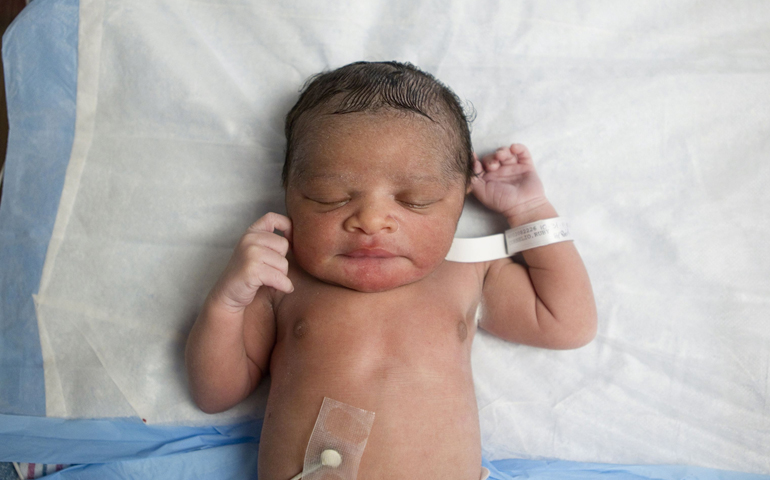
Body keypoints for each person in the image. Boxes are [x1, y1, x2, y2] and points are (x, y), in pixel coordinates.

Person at [185, 61, 597, 480]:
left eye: (416, 199)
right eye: (329, 197)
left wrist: (529, 212)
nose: (372, 220)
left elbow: (567, 323)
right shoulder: (282, 278)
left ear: (462, 196)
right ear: (289, 191)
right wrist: (226, 302)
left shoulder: (468, 271)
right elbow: (215, 393)